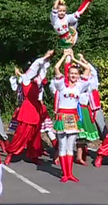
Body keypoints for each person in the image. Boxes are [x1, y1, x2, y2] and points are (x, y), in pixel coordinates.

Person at [4, 50, 54, 165]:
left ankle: (34, 155)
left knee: (35, 135)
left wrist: (48, 59)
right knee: (21, 134)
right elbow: (36, 65)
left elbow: (43, 69)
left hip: (36, 108)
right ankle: (11, 154)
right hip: (27, 108)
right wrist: (44, 56)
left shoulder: (37, 81)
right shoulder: (25, 79)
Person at [53, 49, 90, 182]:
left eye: (76, 73)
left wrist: (74, 59)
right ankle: (64, 174)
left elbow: (87, 69)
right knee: (62, 146)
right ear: (67, 74)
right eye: (71, 73)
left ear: (78, 75)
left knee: (70, 147)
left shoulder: (80, 86)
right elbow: (56, 67)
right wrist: (64, 56)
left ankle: (70, 173)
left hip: (73, 118)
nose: (74, 75)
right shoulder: (61, 85)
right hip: (62, 117)